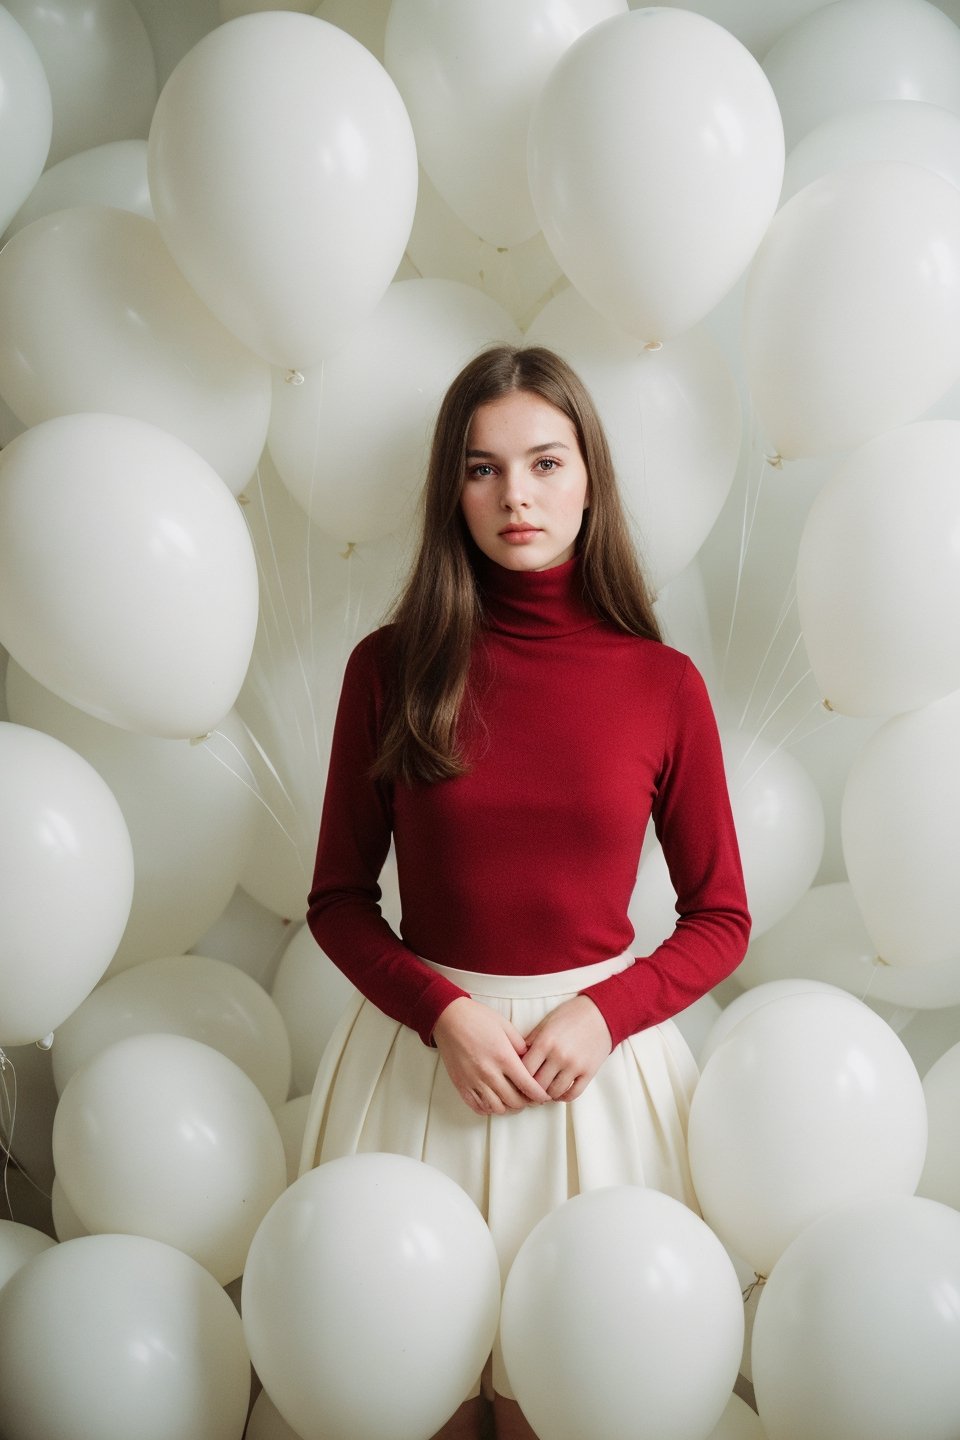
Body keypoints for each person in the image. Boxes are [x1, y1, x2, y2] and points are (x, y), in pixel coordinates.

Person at [299, 344, 751, 1440]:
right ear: (451, 491)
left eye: (546, 463)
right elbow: (338, 899)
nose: (517, 497)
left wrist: (609, 1011)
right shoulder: (388, 668)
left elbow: (723, 916)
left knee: (581, 1405)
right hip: (420, 1076)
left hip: (598, 1083)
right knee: (421, 1407)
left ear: (589, 476)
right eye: (482, 469)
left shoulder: (661, 683)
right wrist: (440, 1012)